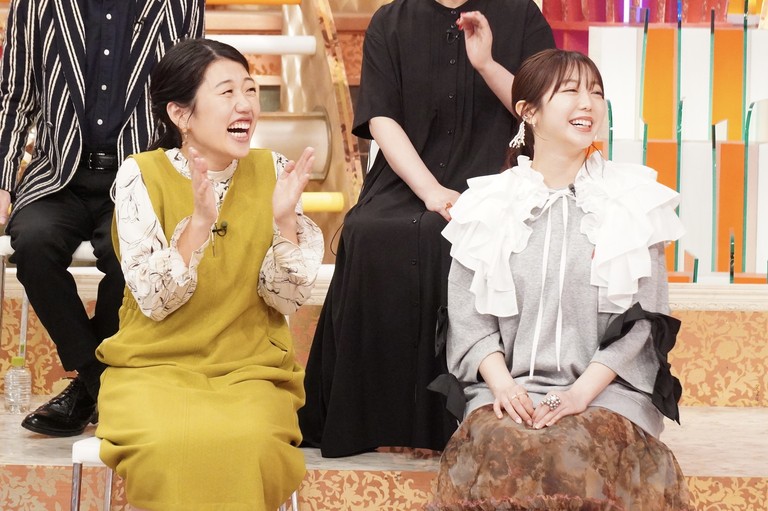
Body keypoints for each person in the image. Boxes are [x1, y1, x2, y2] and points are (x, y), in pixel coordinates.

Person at [428, 49, 692, 510]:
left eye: (596, 92)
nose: (587, 103)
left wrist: (578, 394)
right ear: (528, 112)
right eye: (570, 91)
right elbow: (469, 321)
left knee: (571, 450)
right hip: (506, 390)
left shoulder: (631, 202)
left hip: (607, 393)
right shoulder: (488, 205)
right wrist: (504, 388)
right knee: (504, 443)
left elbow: (644, 324)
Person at [299, 0, 555, 458]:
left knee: (449, 239)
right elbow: (381, 118)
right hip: (407, 177)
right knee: (371, 232)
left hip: (496, 177)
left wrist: (486, 64)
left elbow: (541, 112)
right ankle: (369, 419)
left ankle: (456, 418)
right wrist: (431, 190)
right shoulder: (390, 20)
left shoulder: (521, 16)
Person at [94, 38, 323, 510]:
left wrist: (284, 220)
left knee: (248, 442)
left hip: (250, 369)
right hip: (152, 368)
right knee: (169, 443)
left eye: (250, 90)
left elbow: (285, 299)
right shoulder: (140, 175)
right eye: (227, 92)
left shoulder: (275, 171)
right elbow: (154, 301)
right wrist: (198, 225)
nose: (245, 105)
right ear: (181, 114)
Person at [0, 0, 204, 437]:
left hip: (141, 172)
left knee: (128, 254)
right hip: (58, 174)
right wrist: (1, 179)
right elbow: (14, 97)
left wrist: (188, 174)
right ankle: (100, 382)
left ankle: (87, 392)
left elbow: (191, 91)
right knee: (33, 243)